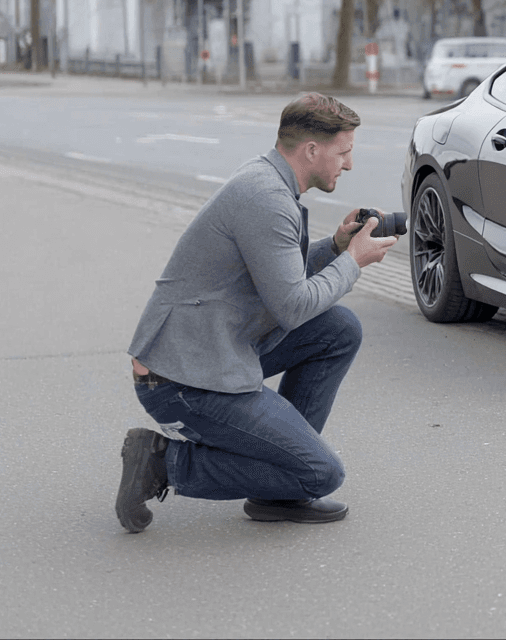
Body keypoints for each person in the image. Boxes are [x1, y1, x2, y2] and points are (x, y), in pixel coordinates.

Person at [115, 92, 398, 532]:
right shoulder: (266, 199)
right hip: (179, 379)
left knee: (338, 329)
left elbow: (279, 275)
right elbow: (293, 306)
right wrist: (354, 261)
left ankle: (277, 488)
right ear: (311, 150)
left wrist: (338, 247)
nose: (349, 164)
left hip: (212, 351)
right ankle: (162, 462)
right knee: (323, 474)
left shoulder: (266, 181)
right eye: (344, 153)